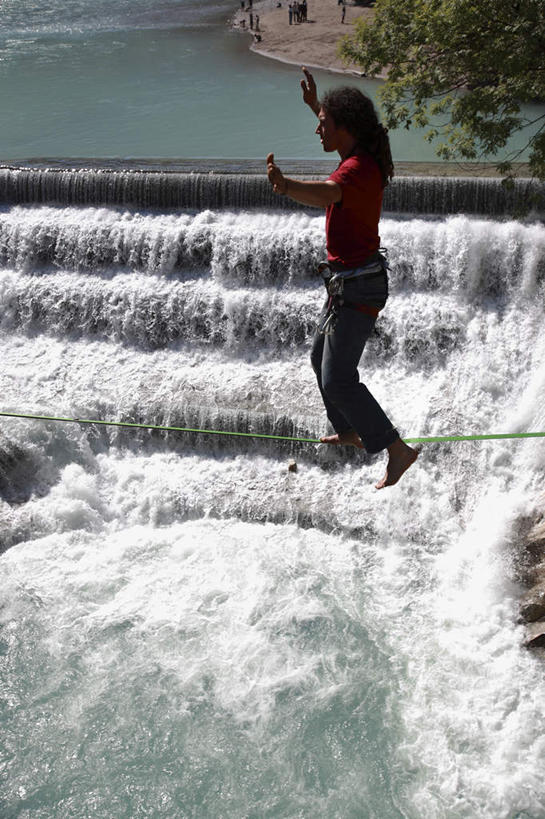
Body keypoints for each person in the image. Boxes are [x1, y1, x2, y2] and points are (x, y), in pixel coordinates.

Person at [266, 67, 418, 489]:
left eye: (323, 124)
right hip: (344, 284)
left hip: (360, 286)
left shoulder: (354, 172)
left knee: (337, 378)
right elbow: (339, 131)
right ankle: (351, 430)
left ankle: (396, 450)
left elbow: (327, 193)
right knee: (320, 362)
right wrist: (317, 105)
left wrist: (285, 185)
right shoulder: (358, 155)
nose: (318, 130)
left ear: (344, 128)